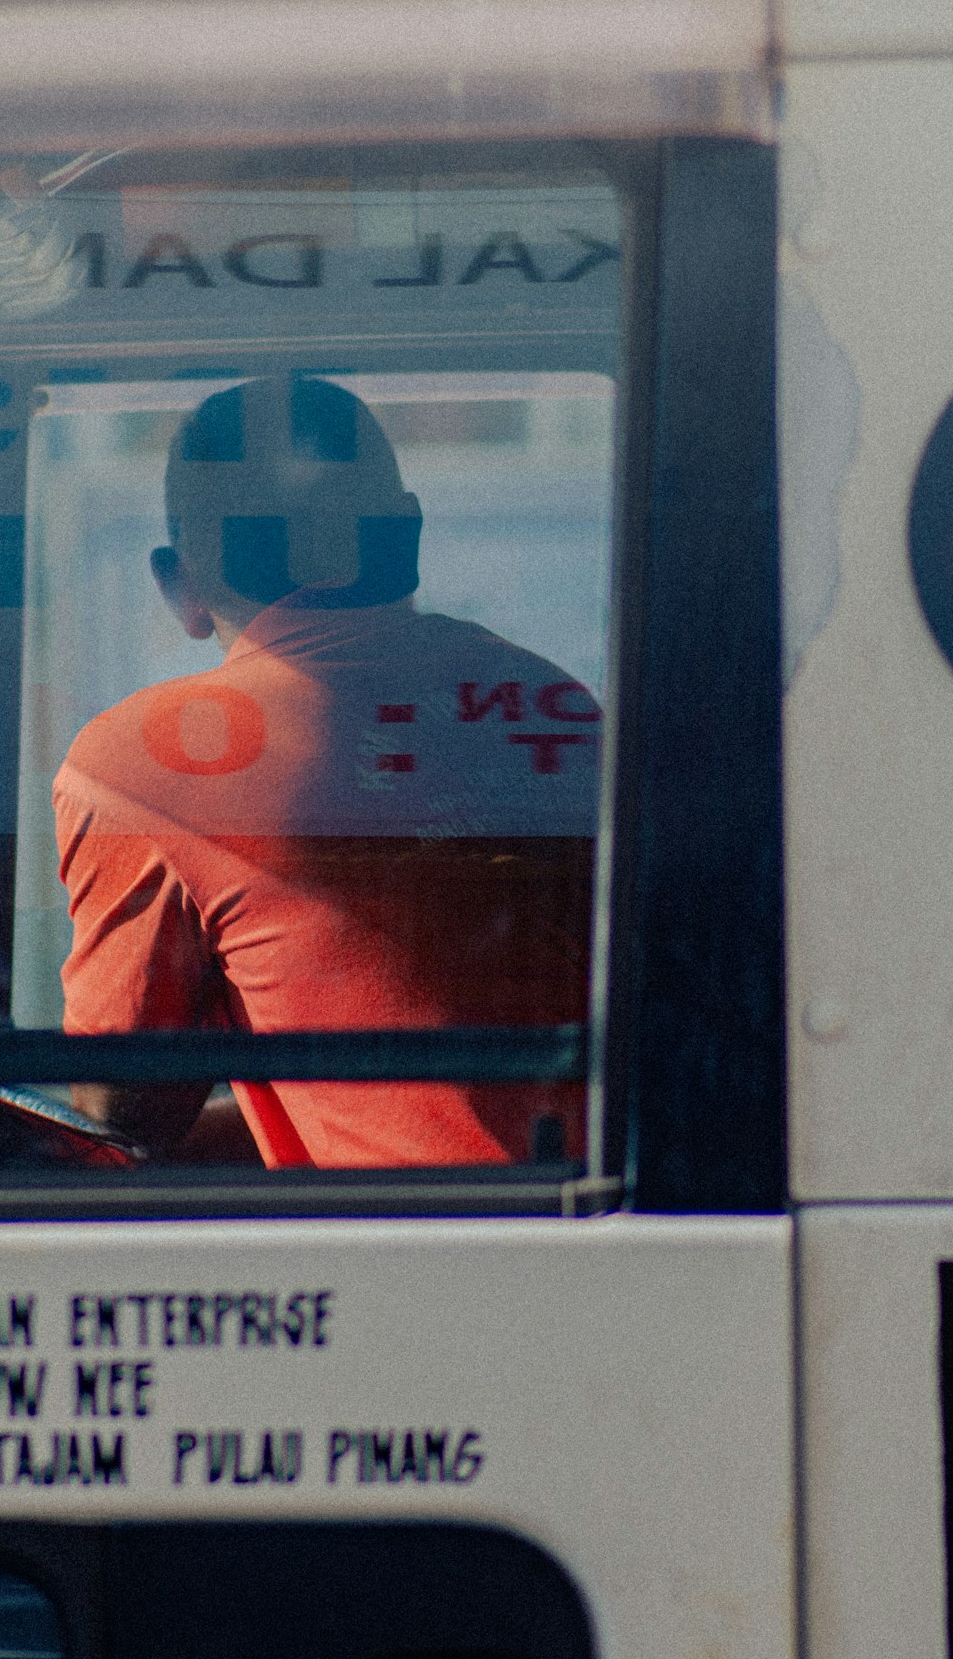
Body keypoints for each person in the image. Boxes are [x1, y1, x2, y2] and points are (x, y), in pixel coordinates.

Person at [52, 375, 601, 1167]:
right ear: (407, 538)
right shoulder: (556, 705)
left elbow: (124, 1113)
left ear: (179, 583)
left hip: (416, 1240)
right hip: (631, 1212)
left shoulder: (144, 761)